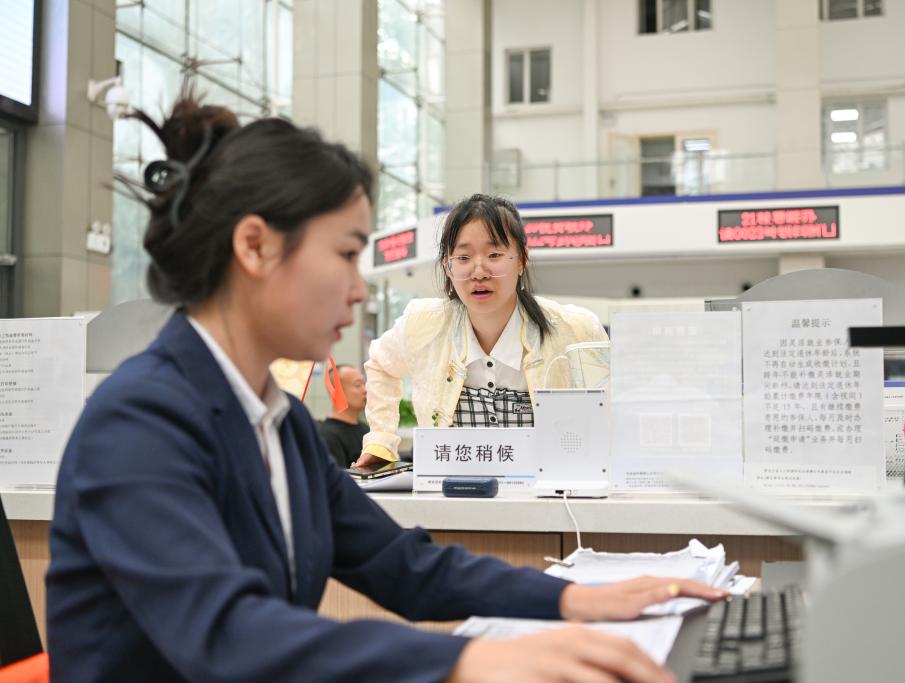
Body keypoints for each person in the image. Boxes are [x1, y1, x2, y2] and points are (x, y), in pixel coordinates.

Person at [45, 94, 726, 683]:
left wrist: (574, 597)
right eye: (346, 254)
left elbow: (401, 564)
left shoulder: (277, 423)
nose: (358, 288)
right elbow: (228, 633)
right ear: (254, 247)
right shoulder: (140, 420)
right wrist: (467, 660)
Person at [356, 193, 609, 467]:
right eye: (463, 257)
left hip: (549, 491)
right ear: (448, 266)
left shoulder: (576, 330)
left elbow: (610, 409)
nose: (479, 272)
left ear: (522, 259)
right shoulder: (422, 324)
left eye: (494, 254)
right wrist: (381, 440)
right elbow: (381, 364)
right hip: (452, 490)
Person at [317, 359, 370, 467]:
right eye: (357, 385)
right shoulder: (327, 436)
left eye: (364, 384)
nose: (365, 390)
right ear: (336, 391)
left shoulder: (366, 429)